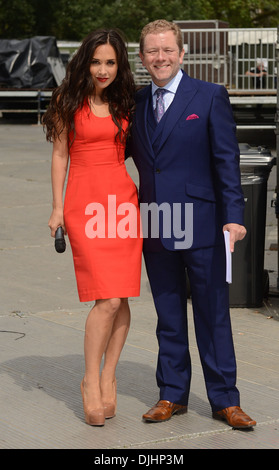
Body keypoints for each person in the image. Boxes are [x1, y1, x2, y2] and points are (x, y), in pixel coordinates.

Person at [128, 19, 256, 429]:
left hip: (203, 225)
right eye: (152, 51)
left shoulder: (210, 95)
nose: (160, 57)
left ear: (182, 54)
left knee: (213, 313)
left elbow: (226, 160)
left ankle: (224, 399)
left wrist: (234, 216)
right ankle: (172, 394)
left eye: (168, 50)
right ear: (142, 57)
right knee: (168, 314)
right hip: (156, 224)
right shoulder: (136, 103)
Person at [42, 29, 142, 426]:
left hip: (122, 205)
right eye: (97, 61)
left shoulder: (126, 102)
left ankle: (108, 376)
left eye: (111, 62)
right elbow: (59, 156)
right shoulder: (68, 100)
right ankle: (89, 380)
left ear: (120, 65)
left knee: (122, 297)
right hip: (84, 205)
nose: (103, 70)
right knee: (107, 299)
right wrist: (56, 208)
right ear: (85, 62)